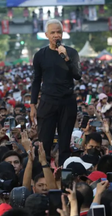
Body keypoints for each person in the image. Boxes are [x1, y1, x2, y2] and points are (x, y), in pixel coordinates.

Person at [30, 19, 81, 165]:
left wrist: (67, 58)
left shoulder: (71, 53)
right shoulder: (40, 55)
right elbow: (36, 80)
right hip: (48, 102)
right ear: (47, 35)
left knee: (64, 144)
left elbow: (77, 75)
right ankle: (43, 176)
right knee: (44, 143)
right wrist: (33, 105)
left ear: (62, 33)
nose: (56, 35)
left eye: (59, 32)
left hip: (67, 102)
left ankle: (64, 176)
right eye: (52, 32)